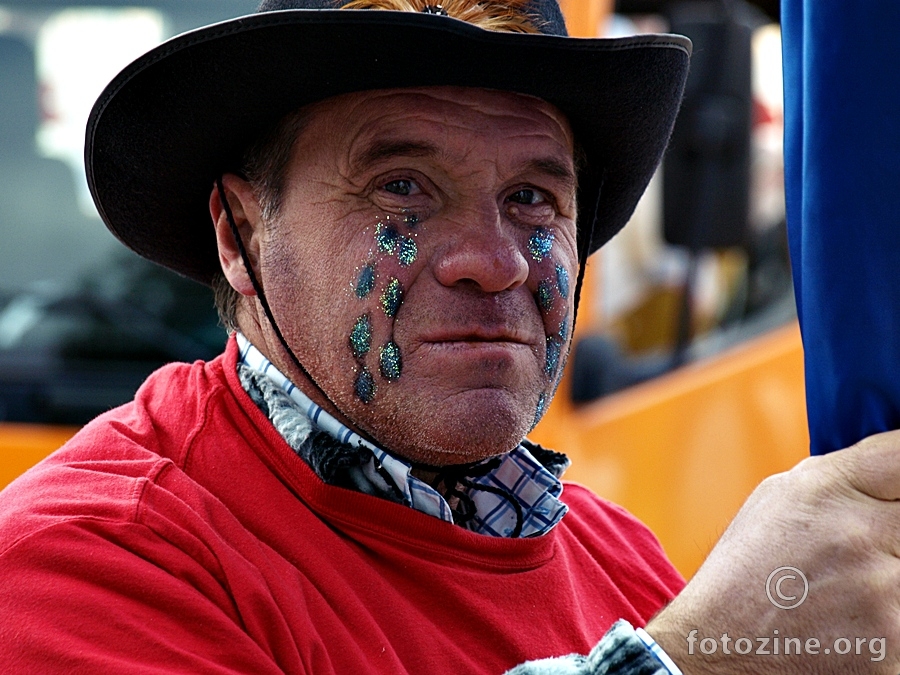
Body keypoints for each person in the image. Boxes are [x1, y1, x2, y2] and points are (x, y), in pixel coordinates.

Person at [0, 1, 898, 673]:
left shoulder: (619, 553)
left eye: (533, 199)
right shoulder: (78, 564)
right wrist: (691, 660)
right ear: (239, 234)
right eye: (401, 187)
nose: (493, 260)